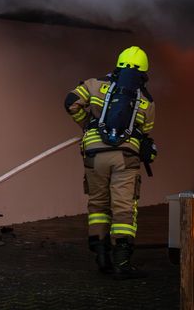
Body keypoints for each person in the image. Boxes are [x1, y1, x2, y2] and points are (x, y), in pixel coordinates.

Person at [64, 46, 157, 279]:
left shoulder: (94, 84)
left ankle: (101, 256)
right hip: (125, 157)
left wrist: (87, 125)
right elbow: (145, 132)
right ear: (144, 72)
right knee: (124, 206)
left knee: (98, 204)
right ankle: (122, 261)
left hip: (94, 154)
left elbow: (70, 102)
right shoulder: (146, 100)